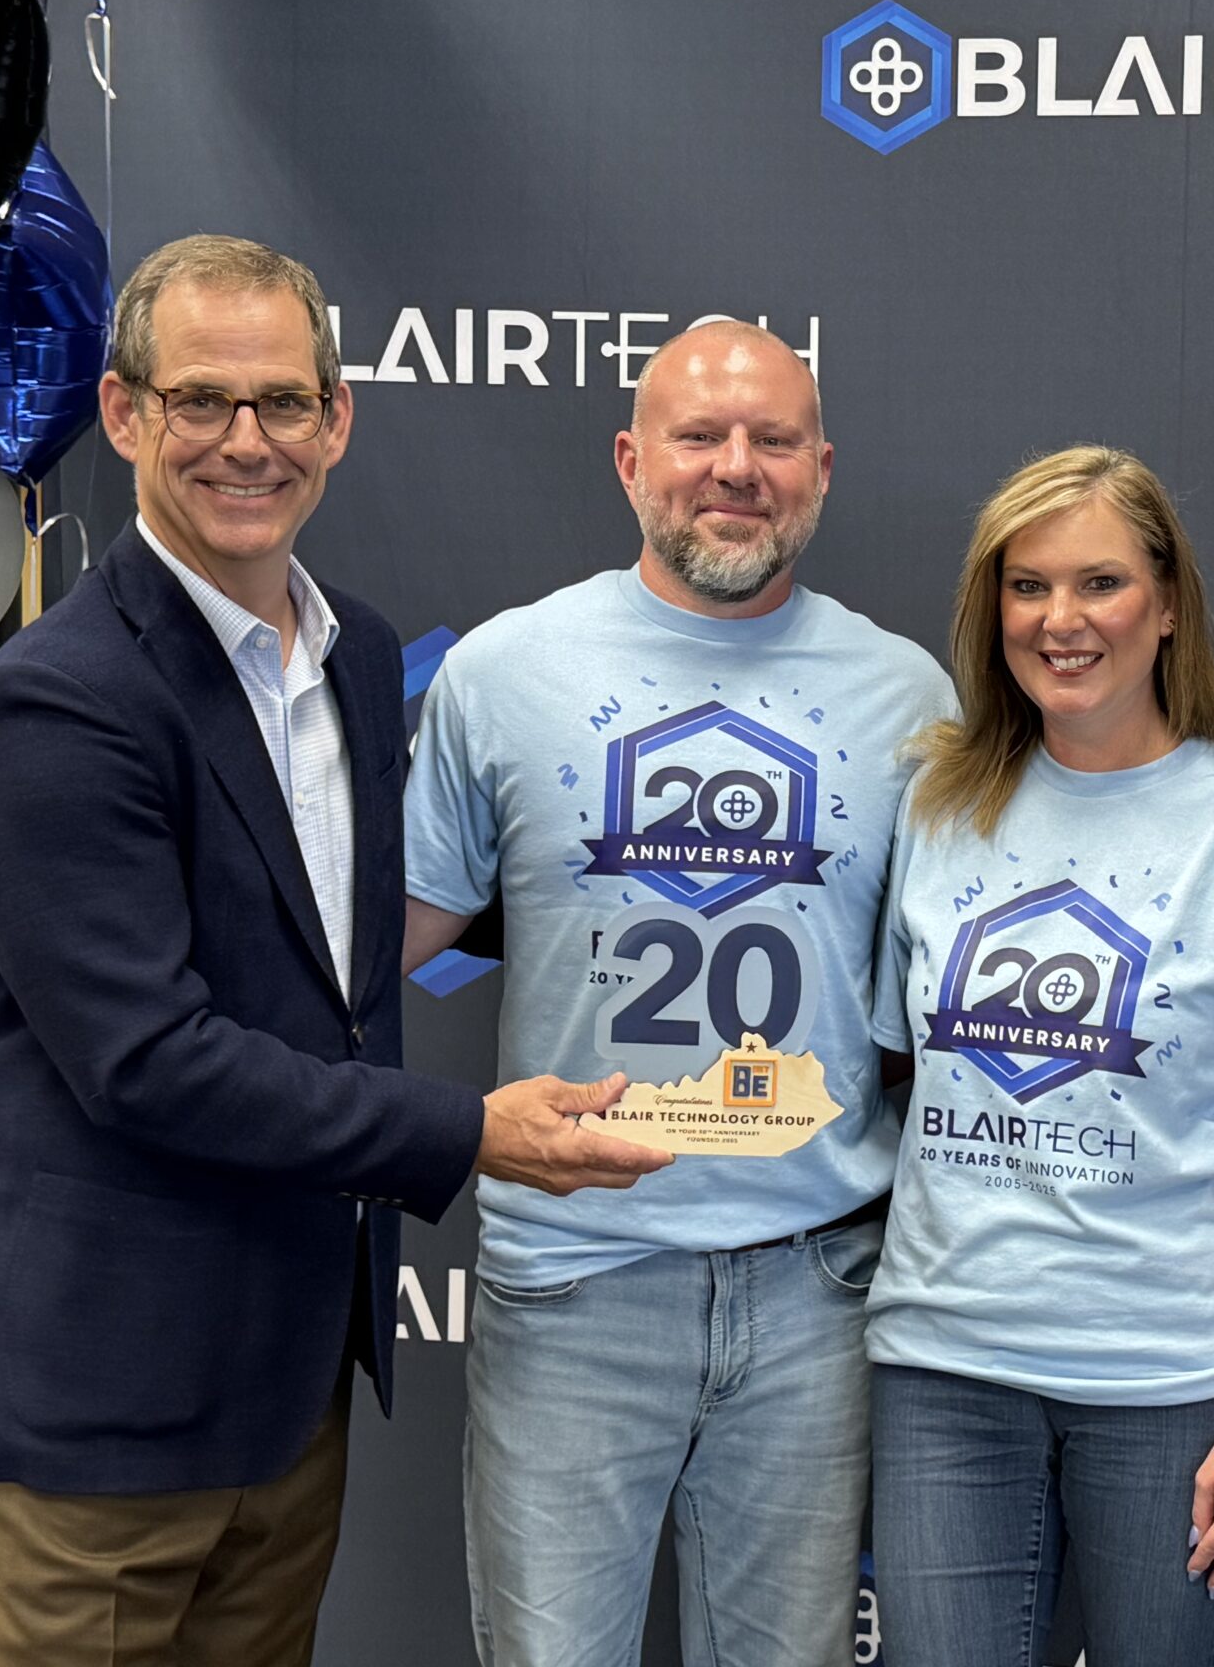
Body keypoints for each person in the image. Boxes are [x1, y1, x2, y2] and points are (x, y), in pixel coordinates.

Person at [0, 235, 665, 1667]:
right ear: (124, 417)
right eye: (200, 402)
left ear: (339, 418)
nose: (246, 443)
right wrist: (467, 1133)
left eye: (283, 403)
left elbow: (342, 952)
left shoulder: (355, 654)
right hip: (93, 1410)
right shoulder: (59, 705)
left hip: (285, 1388)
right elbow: (147, 1061)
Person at [400, 320, 956, 1667]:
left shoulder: (908, 694)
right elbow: (386, 944)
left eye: (773, 440)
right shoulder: (501, 672)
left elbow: (937, 1004)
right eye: (701, 437)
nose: (736, 469)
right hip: (576, 1280)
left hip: (816, 1285)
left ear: (820, 470)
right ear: (630, 460)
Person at [865, 446, 1214, 1667]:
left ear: (1168, 602)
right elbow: (898, 1075)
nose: (1060, 620)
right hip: (946, 1374)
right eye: (1027, 587)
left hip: (1174, 1389)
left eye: (1100, 583)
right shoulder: (934, 805)